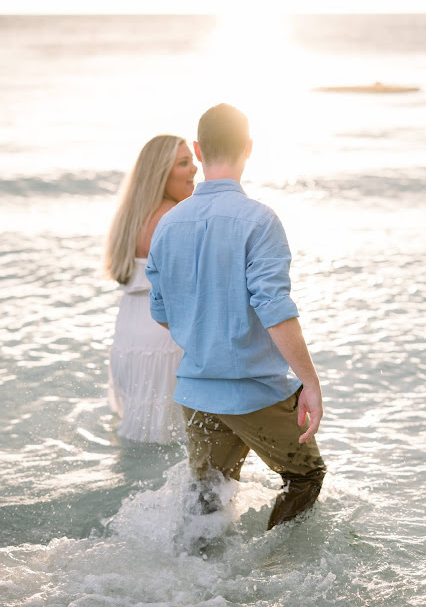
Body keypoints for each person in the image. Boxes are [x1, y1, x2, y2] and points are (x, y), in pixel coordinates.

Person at [146, 104, 326, 529]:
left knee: (208, 499)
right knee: (304, 477)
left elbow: (162, 313)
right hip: (254, 391)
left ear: (198, 150)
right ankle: (274, 574)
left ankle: (194, 586)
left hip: (196, 392)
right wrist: (311, 382)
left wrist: (205, 343)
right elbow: (274, 310)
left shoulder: (169, 224)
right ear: (249, 148)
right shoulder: (259, 221)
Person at [104, 135, 197, 443]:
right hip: (162, 336)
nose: (194, 168)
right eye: (183, 163)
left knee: (139, 435)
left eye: (191, 160)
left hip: (128, 335)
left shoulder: (129, 219)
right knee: (172, 443)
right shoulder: (172, 218)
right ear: (160, 173)